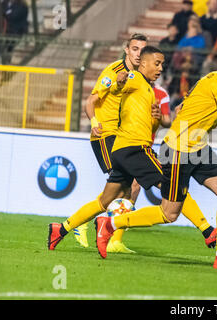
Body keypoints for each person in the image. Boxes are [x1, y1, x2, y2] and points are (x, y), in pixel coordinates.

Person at [93, 44, 217, 272]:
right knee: (169, 213)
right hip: (179, 149)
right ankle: (110, 222)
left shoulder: (209, 77)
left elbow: (183, 106)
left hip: (196, 146)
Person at [48, 46, 217, 254]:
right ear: (143, 63)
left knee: (104, 201)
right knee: (172, 184)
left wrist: (156, 119)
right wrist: (120, 80)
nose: (160, 68)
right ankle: (207, 229)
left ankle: (61, 229)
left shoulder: (148, 91)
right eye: (157, 63)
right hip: (135, 148)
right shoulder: (136, 79)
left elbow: (148, 123)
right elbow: (120, 84)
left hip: (121, 150)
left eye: (162, 64)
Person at [72, 34, 148, 253]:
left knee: (128, 186)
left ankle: (112, 238)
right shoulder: (112, 72)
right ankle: (86, 223)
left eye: (142, 50)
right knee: (122, 186)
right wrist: (95, 123)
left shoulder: (139, 77)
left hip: (124, 136)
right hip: (105, 136)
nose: (138, 54)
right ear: (126, 50)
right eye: (135, 49)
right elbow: (90, 102)